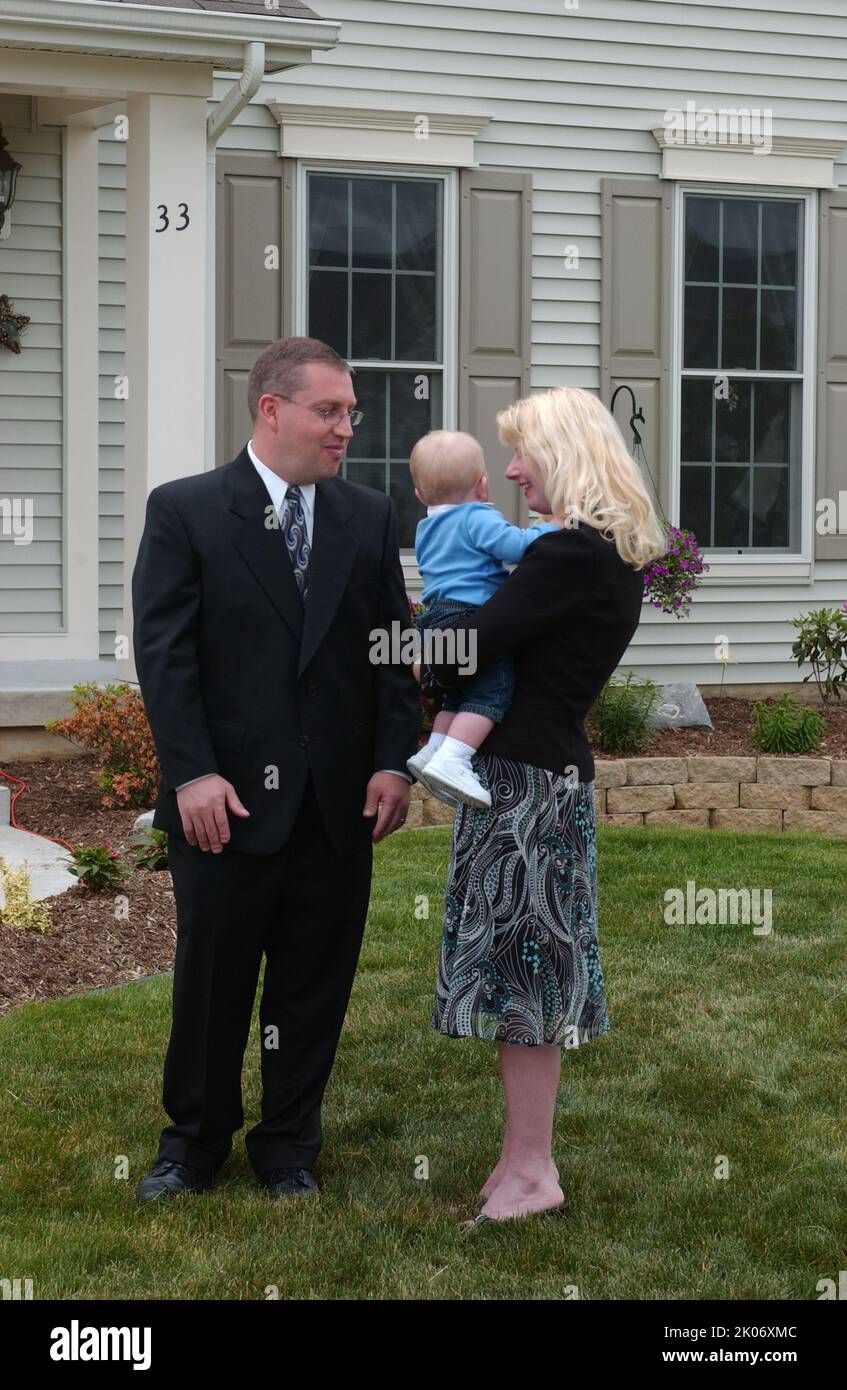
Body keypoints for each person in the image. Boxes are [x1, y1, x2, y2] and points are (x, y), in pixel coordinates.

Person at [131, 336, 420, 1202]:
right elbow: (165, 654)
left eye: (350, 413)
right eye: (328, 411)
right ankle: (192, 1145)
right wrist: (191, 775)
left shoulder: (365, 516)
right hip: (223, 803)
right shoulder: (184, 510)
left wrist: (391, 763)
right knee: (212, 984)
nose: (345, 429)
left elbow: (389, 648)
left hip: (337, 806)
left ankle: (288, 1145)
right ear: (271, 409)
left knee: (312, 986)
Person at [420, 386, 666, 1229]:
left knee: (524, 979)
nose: (512, 471)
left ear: (563, 453)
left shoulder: (568, 557)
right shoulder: (599, 555)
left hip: (525, 788)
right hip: (536, 780)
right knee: (526, 974)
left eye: (522, 453)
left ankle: (532, 1170)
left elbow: (465, 652)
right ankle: (519, 1161)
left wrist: (411, 645)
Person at [407, 429, 562, 810]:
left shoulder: (427, 525)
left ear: (419, 495)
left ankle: (434, 750)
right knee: (493, 690)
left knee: (460, 693)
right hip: (469, 614)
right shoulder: (475, 516)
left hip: (436, 616)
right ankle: (454, 759)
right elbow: (515, 546)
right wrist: (551, 529)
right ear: (482, 484)